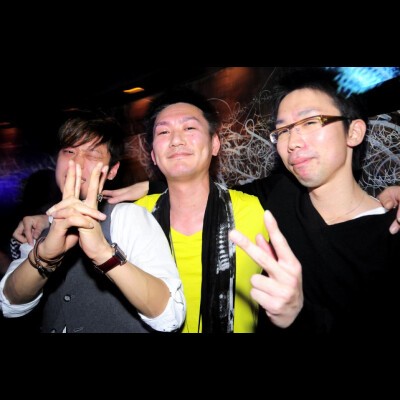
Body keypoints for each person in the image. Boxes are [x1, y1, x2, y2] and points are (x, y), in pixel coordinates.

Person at [228, 68, 400, 336]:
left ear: (353, 132)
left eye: (310, 122)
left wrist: (296, 315)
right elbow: (208, 195)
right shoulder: (279, 194)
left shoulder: (391, 235)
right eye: (282, 130)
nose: (292, 142)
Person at [0, 111, 185, 333]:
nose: (76, 162)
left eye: (93, 154)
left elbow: (170, 316)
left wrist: (103, 253)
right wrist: (44, 256)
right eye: (69, 151)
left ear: (112, 171)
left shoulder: (128, 217)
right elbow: (9, 304)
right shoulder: (42, 223)